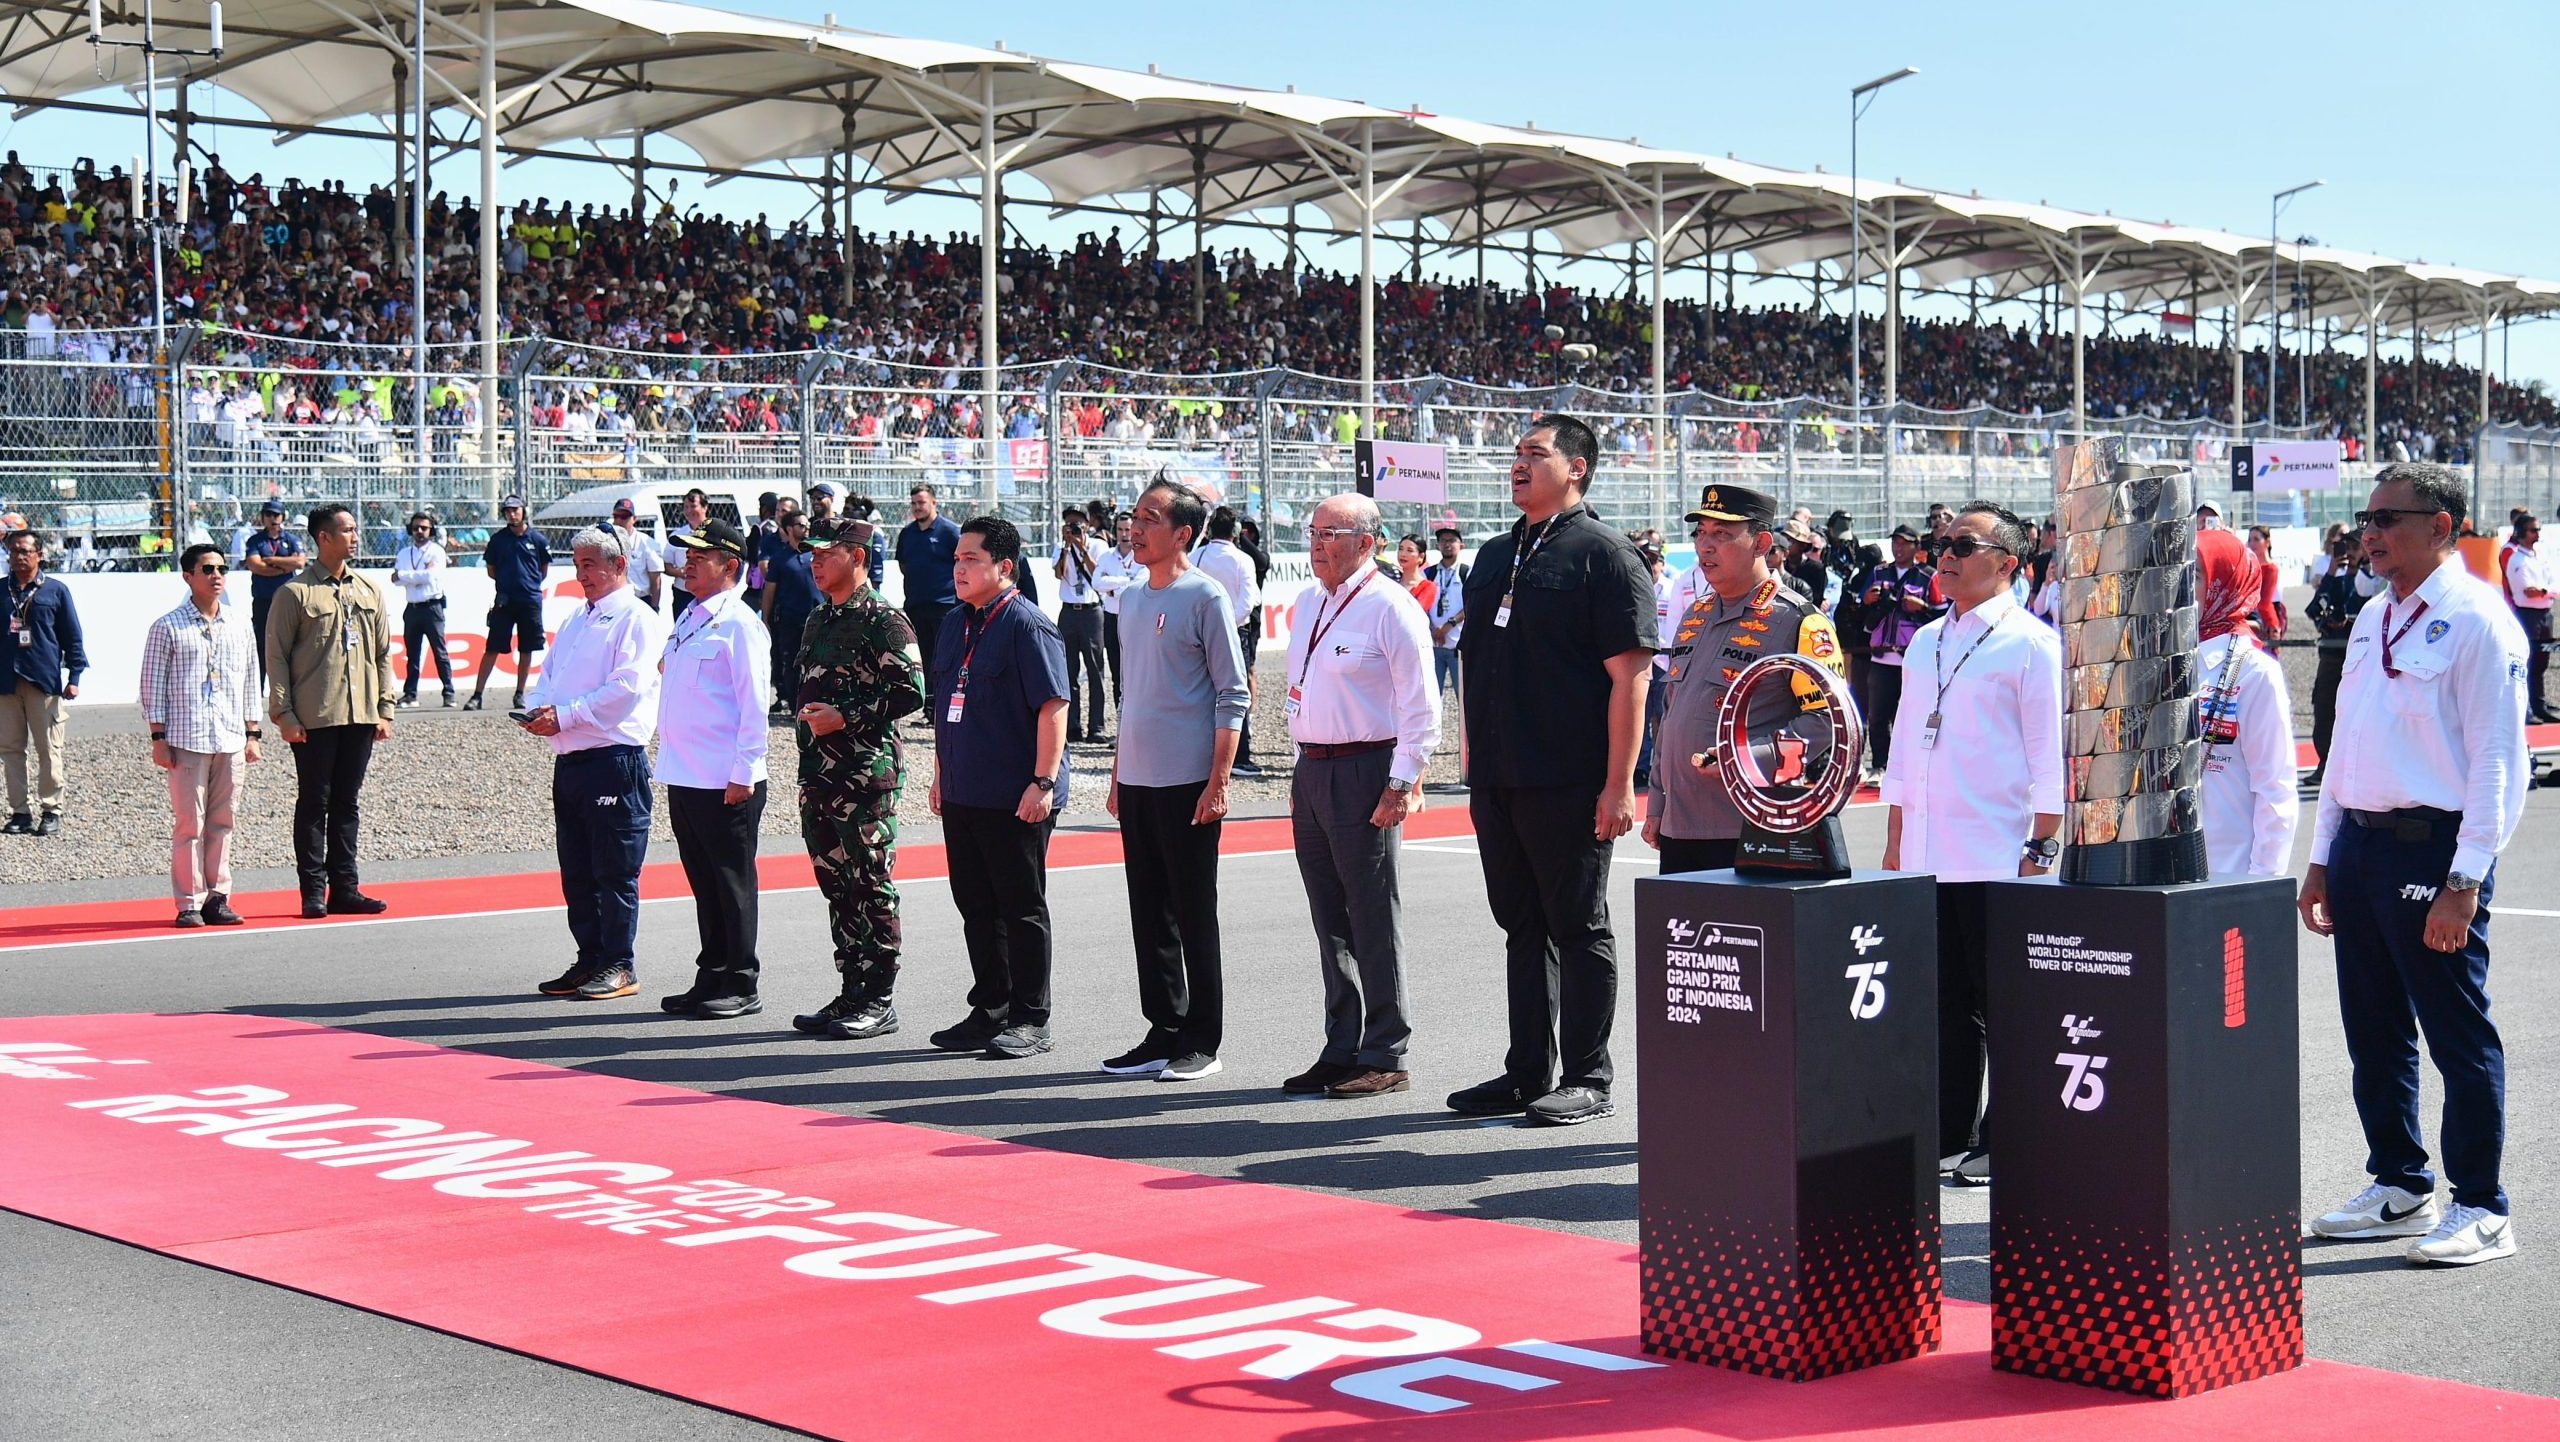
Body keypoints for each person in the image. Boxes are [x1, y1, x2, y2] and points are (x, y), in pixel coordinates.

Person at [2301, 463, 2529, 1267]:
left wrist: (2463, 883)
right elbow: (2345, 748)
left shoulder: (2478, 621)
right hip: (2360, 845)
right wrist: (2324, 854)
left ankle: (2482, 1205)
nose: (2370, 531)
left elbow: (2501, 765)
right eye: (2366, 516)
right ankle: (2399, 1183)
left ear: (2441, 525)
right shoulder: (2371, 617)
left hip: (2433, 849)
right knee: (2375, 1030)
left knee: (2455, 1032)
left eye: (2388, 518)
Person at [1448, 414, 1654, 1127]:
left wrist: (1619, 784)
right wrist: (1474, 755)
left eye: (1535, 454)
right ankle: (1525, 1071)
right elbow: (1475, 659)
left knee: (1578, 923)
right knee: (1521, 924)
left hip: (1569, 777)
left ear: (1578, 468)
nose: (1518, 464)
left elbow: (1631, 677)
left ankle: (1589, 1077)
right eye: (1515, 454)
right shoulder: (1497, 553)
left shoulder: (1605, 555)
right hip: (1499, 776)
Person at [1880, 501, 2062, 1188]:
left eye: (1964, 543)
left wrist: (2041, 849)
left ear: (2009, 563)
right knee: (1944, 1004)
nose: (1945, 553)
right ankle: (1951, 1127)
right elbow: (1902, 747)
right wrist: (1898, 841)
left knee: (2005, 1005)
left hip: (1998, 854)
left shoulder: (2030, 644)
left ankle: (2005, 1134)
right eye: (1941, 542)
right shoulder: (1926, 640)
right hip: (1929, 852)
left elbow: (2052, 761)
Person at [1282, 494, 1439, 1099]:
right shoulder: (1309, 602)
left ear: (1367, 542)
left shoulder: (1390, 608)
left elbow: (1421, 708)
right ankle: (1341, 1044)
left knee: (1372, 914)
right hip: (1314, 769)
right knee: (1330, 919)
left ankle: (1385, 1050)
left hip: (1366, 768)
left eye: (1330, 532)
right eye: (1313, 529)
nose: (1316, 542)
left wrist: (1402, 782)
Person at [1104, 477, 1249, 1082]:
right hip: (1137, 779)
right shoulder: (1133, 597)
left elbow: (1233, 694)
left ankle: (1202, 1039)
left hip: (1188, 780)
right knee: (1148, 911)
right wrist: (1116, 774)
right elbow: (1130, 696)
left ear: (1182, 533)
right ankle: (1162, 1028)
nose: (1135, 527)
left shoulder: (1205, 596)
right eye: (1133, 516)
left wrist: (1218, 782)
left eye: (1150, 518)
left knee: (1193, 912)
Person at [1645, 484, 1844, 874]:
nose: (1705, 546)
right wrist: (1656, 802)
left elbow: (1827, 722)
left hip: (1749, 827)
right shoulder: (1694, 615)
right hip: (1679, 826)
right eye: (1700, 533)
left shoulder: (1799, 621)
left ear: (1762, 543)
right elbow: (1669, 716)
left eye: (1722, 534)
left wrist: (1747, 759)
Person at [928, 516, 1071, 1059]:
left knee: (1021, 906)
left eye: (971, 560)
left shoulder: (1027, 625)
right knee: (976, 904)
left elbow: (1053, 707)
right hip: (966, 789)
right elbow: (945, 705)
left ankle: (1032, 1017)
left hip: (1016, 794)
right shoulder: (954, 623)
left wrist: (1043, 781)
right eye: (957, 560)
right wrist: (942, 773)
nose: (960, 569)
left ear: (1004, 568)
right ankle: (990, 1008)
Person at [787, 514, 928, 1040]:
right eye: (813, 555)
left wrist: (845, 715)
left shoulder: (883, 620)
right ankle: (851, 990)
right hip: (820, 775)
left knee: (870, 883)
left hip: (864, 778)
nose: (816, 563)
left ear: (858, 558)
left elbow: (911, 691)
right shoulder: (819, 618)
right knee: (837, 885)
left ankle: (880, 997)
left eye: (827, 554)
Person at [518, 526, 664, 1002]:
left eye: (589, 565)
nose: (581, 575)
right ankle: (590, 958)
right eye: (577, 565)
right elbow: (548, 674)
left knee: (614, 869)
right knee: (577, 869)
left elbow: (625, 689)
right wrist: (539, 708)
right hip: (572, 759)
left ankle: (619, 963)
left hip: (613, 759)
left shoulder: (636, 618)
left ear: (618, 565)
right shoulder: (579, 619)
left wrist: (564, 714)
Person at [655, 519, 773, 1017]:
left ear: (729, 566)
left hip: (725, 779)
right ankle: (712, 973)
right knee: (705, 882)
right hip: (685, 773)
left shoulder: (740, 624)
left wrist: (744, 771)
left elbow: (754, 704)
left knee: (731, 883)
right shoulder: (692, 616)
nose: (687, 565)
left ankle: (741, 982)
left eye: (699, 558)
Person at [265, 503, 396, 918]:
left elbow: (383, 654)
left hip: (360, 714)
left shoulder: (368, 589)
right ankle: (312, 892)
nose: (355, 536)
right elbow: (277, 657)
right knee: (313, 802)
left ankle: (346, 889)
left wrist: (385, 708)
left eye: (356, 529)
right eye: (348, 530)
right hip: (315, 717)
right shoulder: (295, 593)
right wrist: (284, 714)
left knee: (347, 803)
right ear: (323, 537)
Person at [139, 543, 260, 925]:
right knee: (189, 823)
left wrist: (252, 732)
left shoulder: (240, 624)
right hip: (186, 738)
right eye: (207, 568)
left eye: (222, 568)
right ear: (187, 576)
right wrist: (158, 738)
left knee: (224, 821)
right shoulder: (166, 627)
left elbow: (250, 680)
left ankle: (218, 897)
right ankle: (189, 901)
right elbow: (152, 687)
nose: (217, 575)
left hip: (229, 737)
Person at [2193, 527, 2300, 878]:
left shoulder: (2254, 671)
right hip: (2164, 873)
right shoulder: (2164, 660)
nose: (2177, 587)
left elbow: (2276, 791)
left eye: (2194, 574)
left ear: (2226, 581)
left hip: (2230, 874)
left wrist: (2260, 885)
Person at [0, 529, 83, 837]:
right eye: (13, 552)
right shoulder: (0, 591)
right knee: (10, 749)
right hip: (6, 682)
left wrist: (74, 676)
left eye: (25, 551)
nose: (19, 557)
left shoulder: (55, 591)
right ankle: (20, 812)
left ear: (40, 555)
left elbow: (72, 636)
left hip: (43, 681)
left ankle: (51, 810)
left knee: (48, 748)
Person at [1856, 525, 1939, 781]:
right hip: (1880, 656)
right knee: (1878, 715)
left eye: (1904, 543)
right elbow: (1859, 606)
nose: (1898, 547)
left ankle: (1913, 766)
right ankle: (1881, 766)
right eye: (1895, 542)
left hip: (1913, 657)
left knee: (1912, 714)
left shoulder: (1929, 576)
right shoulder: (1879, 572)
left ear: (1916, 547)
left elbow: (1944, 614)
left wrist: (1921, 606)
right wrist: (1867, 600)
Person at [1191, 505, 1264, 778]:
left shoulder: (1197, 555)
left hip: (1200, 632)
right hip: (1236, 633)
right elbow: (1250, 599)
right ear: (1236, 532)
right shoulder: (1242, 559)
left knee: (1201, 692)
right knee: (1236, 694)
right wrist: (1228, 624)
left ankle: (1203, 754)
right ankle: (1240, 756)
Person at [2306, 531, 2384, 786]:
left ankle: (2360, 769)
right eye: (2346, 547)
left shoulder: (2373, 580)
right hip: (2331, 656)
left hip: (2362, 658)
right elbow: (2315, 609)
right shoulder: (2337, 580)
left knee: (2361, 715)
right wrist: (2330, 573)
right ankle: (2324, 764)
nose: (2349, 553)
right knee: (2325, 711)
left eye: (2355, 547)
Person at [464, 495, 551, 712]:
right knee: (493, 647)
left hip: (530, 601)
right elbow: (491, 569)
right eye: (508, 511)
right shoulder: (498, 540)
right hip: (504, 600)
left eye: (516, 510)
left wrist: (529, 585)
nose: (512, 514)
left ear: (524, 511)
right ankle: (477, 695)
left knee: (526, 648)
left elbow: (543, 570)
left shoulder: (538, 539)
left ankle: (520, 693)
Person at [1052, 507, 1110, 742]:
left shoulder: (1099, 546)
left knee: (1095, 670)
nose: (1073, 527)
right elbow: (1058, 574)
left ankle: (1096, 726)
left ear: (1087, 524)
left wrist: (1082, 547)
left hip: (1091, 611)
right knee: (1068, 671)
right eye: (1069, 523)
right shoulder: (1060, 547)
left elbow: (1098, 573)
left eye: (1077, 523)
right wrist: (1067, 547)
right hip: (1068, 612)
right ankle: (1072, 725)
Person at [894, 483, 962, 679]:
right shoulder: (907, 534)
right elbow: (903, 565)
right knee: (921, 657)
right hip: (915, 606)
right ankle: (929, 703)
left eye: (921, 502)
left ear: (934, 502)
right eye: (913, 503)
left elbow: (962, 564)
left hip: (944, 606)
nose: (917, 507)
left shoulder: (949, 532)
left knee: (945, 656)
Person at [761, 509, 820, 718]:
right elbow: (769, 590)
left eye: (807, 525)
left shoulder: (816, 553)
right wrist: (765, 620)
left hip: (818, 621)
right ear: (789, 529)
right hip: (790, 621)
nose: (806, 529)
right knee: (793, 665)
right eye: (801, 525)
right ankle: (797, 707)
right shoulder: (780, 559)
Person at [391, 511, 454, 708]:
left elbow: (431, 577)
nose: (419, 531)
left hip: (432, 607)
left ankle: (449, 692)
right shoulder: (404, 553)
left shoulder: (436, 551)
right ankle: (410, 694)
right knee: (412, 654)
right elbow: (395, 579)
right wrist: (415, 575)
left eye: (424, 528)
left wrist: (406, 575)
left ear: (431, 530)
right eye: (416, 527)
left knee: (439, 651)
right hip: (412, 608)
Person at [240, 498, 303, 675]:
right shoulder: (255, 541)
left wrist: (272, 561)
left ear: (283, 517)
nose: (272, 518)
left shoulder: (291, 539)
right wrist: (284, 567)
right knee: (261, 645)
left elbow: (299, 562)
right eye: (268, 514)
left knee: (290, 644)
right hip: (263, 599)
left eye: (276, 514)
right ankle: (258, 691)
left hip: (287, 601)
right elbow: (255, 565)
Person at [2502, 513, 2553, 723]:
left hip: (2545, 614)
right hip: (2526, 615)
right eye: (2533, 530)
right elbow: (2527, 592)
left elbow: (2553, 584)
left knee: (2541, 664)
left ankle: (2539, 706)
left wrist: (2545, 590)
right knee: (2525, 663)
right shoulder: (2515, 556)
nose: (2537, 534)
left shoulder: (2540, 555)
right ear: (2522, 532)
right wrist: (2545, 590)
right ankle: (2525, 709)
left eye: (2539, 529)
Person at [1096, 512, 1141, 709]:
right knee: (1117, 673)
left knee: (1136, 674)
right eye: (1120, 530)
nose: (1125, 534)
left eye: (1128, 530)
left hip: (1134, 619)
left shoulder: (1142, 556)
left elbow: (1140, 584)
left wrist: (1112, 586)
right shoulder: (1107, 556)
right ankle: (1121, 725)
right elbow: (1096, 582)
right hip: (1111, 618)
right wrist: (1125, 581)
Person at [1422, 525, 1468, 697]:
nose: (1447, 544)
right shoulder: (1429, 573)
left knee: (1463, 697)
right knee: (1431, 696)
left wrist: (1450, 625)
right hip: (1433, 644)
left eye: (1452, 540)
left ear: (1461, 545)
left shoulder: (1466, 572)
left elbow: (1472, 604)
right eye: (1443, 541)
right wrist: (1433, 629)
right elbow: (1421, 604)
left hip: (1458, 646)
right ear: (1437, 545)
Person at [611, 495, 666, 611]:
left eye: (624, 516)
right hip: (615, 600)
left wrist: (654, 607)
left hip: (640, 600)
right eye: (616, 516)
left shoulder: (647, 543)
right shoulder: (607, 542)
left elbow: (655, 579)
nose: (619, 521)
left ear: (634, 519)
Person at [664, 487, 711, 616]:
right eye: (685, 507)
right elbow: (667, 565)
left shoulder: (715, 534)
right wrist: (681, 572)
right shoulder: (677, 535)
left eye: (693, 506)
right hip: (683, 594)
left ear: (704, 507)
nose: (689, 511)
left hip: (709, 593)